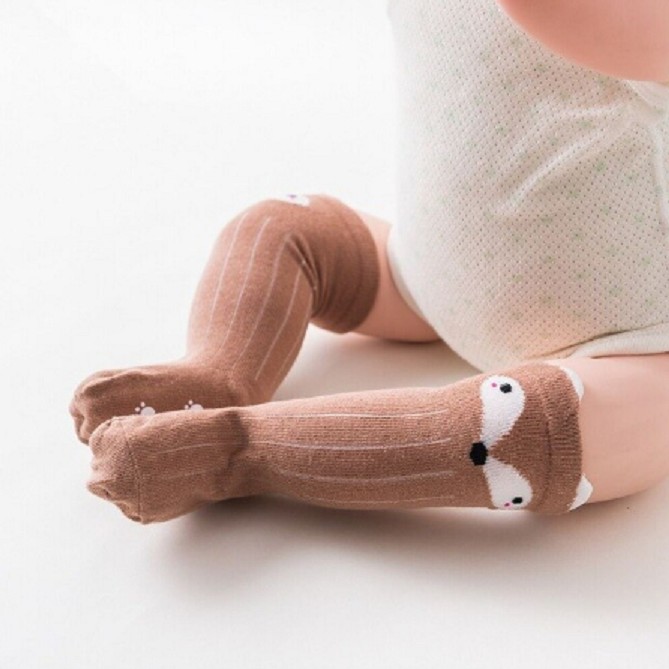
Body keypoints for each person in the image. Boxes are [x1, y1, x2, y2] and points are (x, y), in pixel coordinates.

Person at [70, 0, 669, 523]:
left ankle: (233, 449)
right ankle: (215, 374)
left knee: (532, 428)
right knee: (283, 227)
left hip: (628, 343)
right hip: (422, 275)